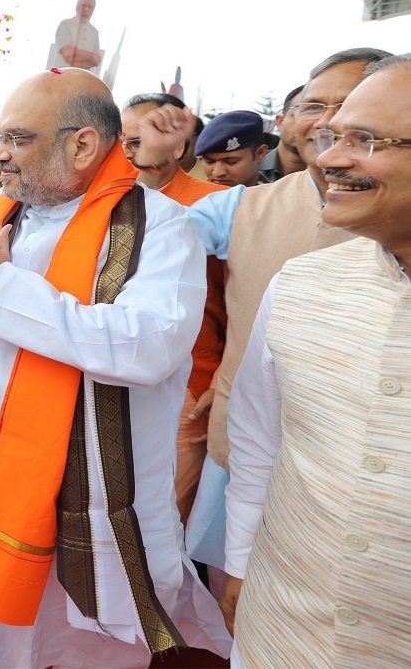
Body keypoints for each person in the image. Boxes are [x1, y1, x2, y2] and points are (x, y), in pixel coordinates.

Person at [0, 68, 231, 668]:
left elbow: (146, 346)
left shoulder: (158, 225)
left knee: (79, 646)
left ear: (81, 144)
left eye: (17, 138)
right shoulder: (2, 211)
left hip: (95, 494)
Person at [133, 46, 389, 585]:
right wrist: (142, 158)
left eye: (348, 105)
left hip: (368, 483)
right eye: (315, 105)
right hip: (243, 456)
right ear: (288, 121)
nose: (331, 120)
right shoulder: (238, 209)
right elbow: (138, 238)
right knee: (231, 601)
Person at [220, 52, 411, 665]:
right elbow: (258, 439)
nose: (327, 158)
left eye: (366, 140)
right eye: (331, 136)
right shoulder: (298, 283)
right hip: (283, 631)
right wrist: (242, 561)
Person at [121, 93, 227, 524]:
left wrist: (222, 377)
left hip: (190, 383)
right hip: (111, 375)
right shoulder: (105, 205)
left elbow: (245, 299)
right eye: (125, 141)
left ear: (180, 145)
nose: (130, 152)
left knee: (165, 519)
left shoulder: (216, 203)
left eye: (143, 139)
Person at [196, 110, 268, 187]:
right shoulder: (193, 196)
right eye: (209, 161)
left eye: (231, 161)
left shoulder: (277, 197)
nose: (218, 172)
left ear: (260, 153)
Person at [257, 85, 306, 182]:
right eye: (302, 113)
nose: (310, 124)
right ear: (280, 122)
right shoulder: (249, 169)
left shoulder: (334, 176)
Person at [53, 0, 101, 70]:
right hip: (61, 78)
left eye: (90, 7)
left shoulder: (94, 32)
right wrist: (91, 56)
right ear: (77, 6)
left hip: (82, 81)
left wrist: (75, 55)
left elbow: (95, 61)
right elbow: (68, 54)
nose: (86, 9)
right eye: (84, 5)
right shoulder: (65, 24)